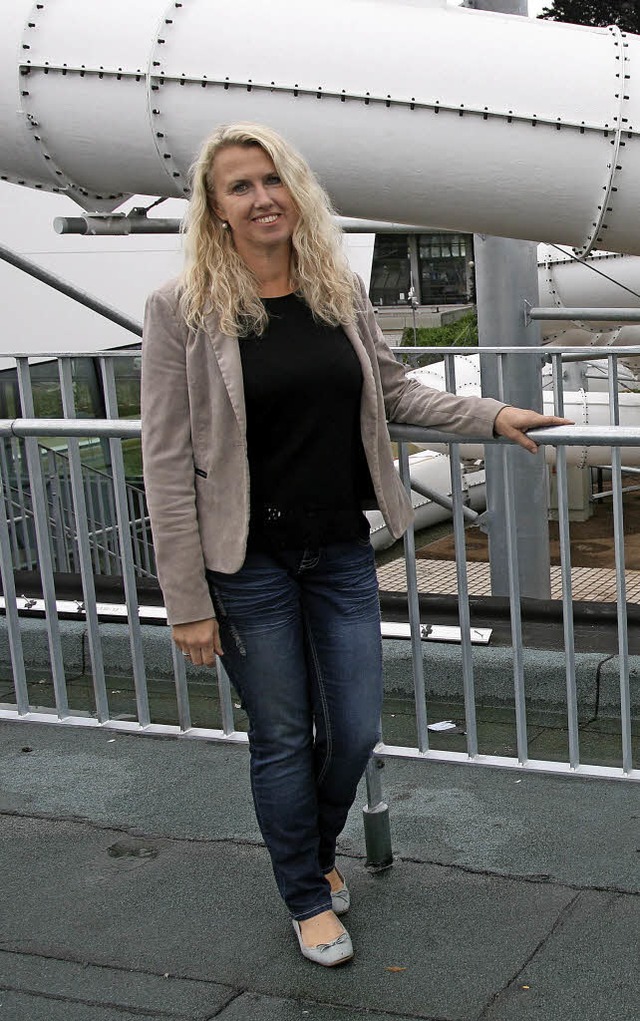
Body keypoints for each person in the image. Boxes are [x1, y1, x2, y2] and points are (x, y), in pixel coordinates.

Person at [141, 122, 569, 967]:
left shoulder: (336, 289)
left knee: (354, 728)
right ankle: (306, 893)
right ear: (214, 208)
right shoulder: (181, 309)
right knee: (279, 733)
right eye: (239, 186)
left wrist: (492, 415)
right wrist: (186, 601)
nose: (262, 197)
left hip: (340, 548)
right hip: (247, 565)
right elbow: (164, 459)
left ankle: (313, 848)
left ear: (293, 188)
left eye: (272, 179)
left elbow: (399, 388)